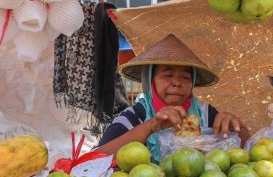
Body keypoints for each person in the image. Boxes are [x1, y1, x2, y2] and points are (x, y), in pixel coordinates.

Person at [97, 34, 251, 161]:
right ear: (151, 81)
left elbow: (246, 150)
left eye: (185, 77)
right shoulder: (135, 116)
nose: (177, 83)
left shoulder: (205, 114)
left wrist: (236, 130)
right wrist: (151, 126)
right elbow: (94, 160)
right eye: (167, 75)